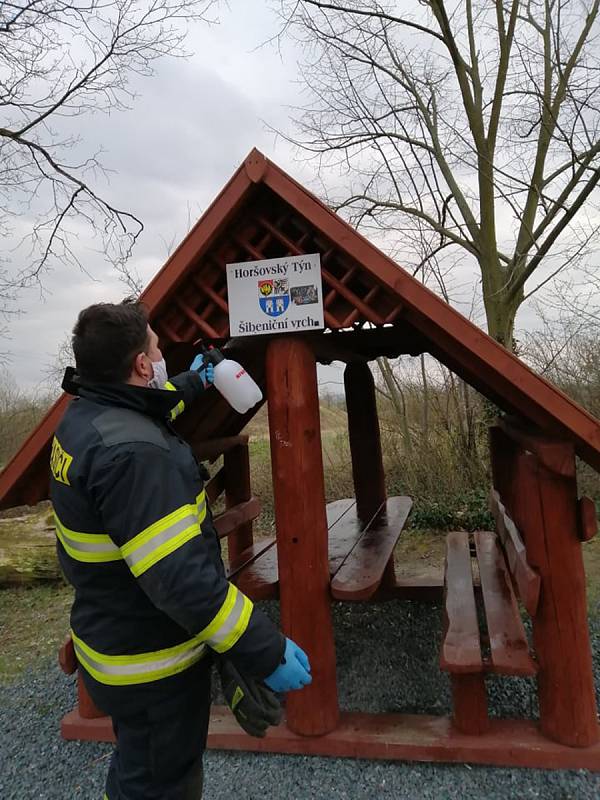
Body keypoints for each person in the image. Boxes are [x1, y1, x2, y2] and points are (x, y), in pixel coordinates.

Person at [50, 299, 311, 799]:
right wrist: (263, 648)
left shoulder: (87, 418)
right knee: (160, 783)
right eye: (156, 348)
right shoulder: (135, 457)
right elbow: (182, 581)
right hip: (152, 664)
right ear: (142, 365)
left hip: (112, 640)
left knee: (137, 769)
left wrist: (200, 379)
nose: (161, 356)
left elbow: (151, 402)